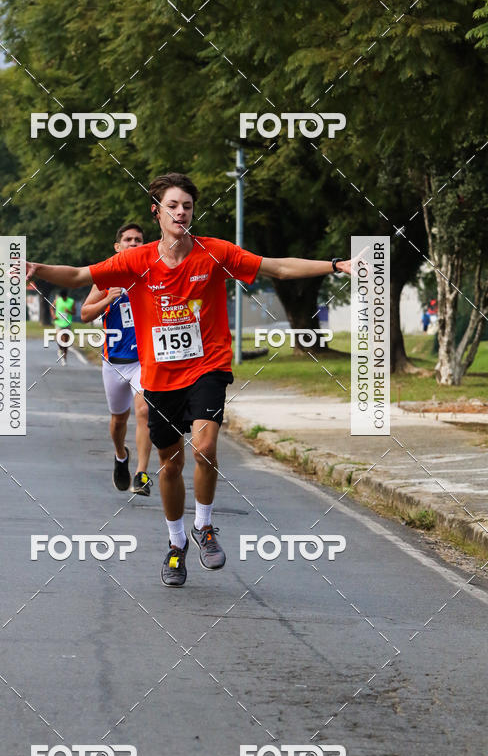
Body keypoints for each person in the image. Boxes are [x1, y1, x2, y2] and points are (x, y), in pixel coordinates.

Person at [26, 172, 355, 588]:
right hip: (161, 375)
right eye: (173, 205)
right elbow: (78, 277)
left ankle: (204, 526)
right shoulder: (136, 260)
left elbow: (279, 268)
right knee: (171, 465)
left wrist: (335, 265)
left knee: (205, 446)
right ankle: (176, 543)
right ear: (157, 211)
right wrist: (39, 268)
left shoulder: (214, 252)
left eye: (187, 206)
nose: (181, 212)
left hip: (207, 365)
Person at [81, 223, 153, 496]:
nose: (133, 243)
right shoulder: (108, 276)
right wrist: (107, 299)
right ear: (118, 246)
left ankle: (141, 474)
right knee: (118, 421)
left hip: (144, 360)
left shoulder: (151, 274)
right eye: (128, 239)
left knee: (144, 411)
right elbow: (86, 314)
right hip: (114, 363)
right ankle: (121, 455)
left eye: (138, 240)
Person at [51, 288, 75, 366]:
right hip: (58, 322)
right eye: (62, 297)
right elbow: (51, 308)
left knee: (66, 342)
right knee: (59, 338)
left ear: (66, 296)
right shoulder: (57, 300)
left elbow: (74, 312)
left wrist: (69, 311)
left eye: (65, 297)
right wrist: (53, 315)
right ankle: (60, 349)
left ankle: (64, 358)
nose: (63, 299)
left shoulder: (71, 301)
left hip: (67, 323)